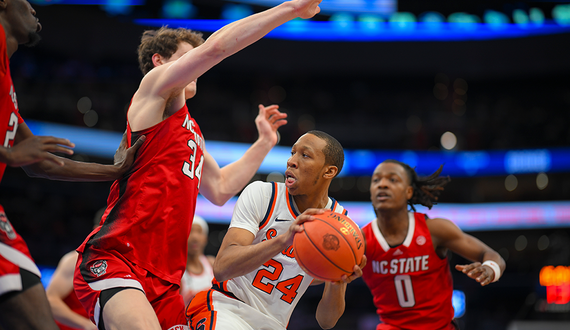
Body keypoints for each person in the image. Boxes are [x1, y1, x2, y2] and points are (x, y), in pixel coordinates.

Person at [73, 1, 326, 330]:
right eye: (187, 58)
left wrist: (264, 144)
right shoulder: (153, 90)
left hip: (165, 278)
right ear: (159, 61)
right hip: (119, 256)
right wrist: (291, 8)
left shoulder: (191, 130)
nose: (196, 66)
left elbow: (220, 189)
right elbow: (217, 48)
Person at [0, 1, 142, 330]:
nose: (35, 10)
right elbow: (22, 155)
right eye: (27, 2)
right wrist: (7, 155)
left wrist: (115, 171)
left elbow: (39, 163)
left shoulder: (6, 78)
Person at [186, 130, 367, 330]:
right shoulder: (263, 195)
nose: (292, 161)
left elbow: (326, 321)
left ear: (329, 171)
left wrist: (339, 280)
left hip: (275, 324)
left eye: (305, 155)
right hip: (229, 308)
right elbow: (221, 269)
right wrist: (283, 240)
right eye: (293, 153)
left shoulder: (342, 224)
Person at [360, 160, 507, 330]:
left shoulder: (434, 229)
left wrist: (489, 269)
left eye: (393, 180)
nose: (382, 185)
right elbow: (324, 292)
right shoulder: (360, 241)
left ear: (409, 191)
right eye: (376, 180)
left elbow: (494, 256)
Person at [47, 209, 106, 330]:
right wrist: (86, 325)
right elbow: (50, 300)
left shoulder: (125, 268)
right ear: (96, 229)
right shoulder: (75, 260)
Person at [180, 215, 215, 306]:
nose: (195, 237)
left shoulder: (212, 264)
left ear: (205, 239)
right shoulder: (177, 272)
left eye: (199, 232)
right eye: (190, 231)